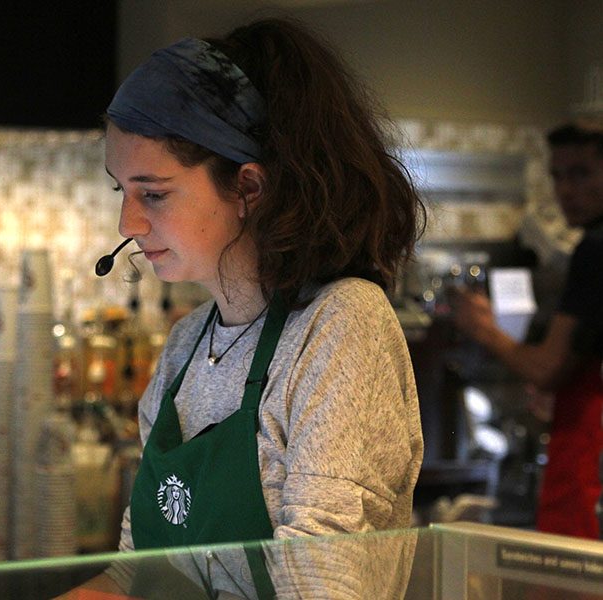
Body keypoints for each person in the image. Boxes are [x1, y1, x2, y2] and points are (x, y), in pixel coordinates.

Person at [80, 17, 425, 598]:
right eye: (123, 191)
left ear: (248, 188)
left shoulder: (342, 327)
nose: (128, 225)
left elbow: (321, 585)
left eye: (154, 193)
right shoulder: (186, 346)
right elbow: (134, 575)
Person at [452, 122, 603, 540]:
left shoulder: (594, 249)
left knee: (569, 570)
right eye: (557, 175)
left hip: (587, 447)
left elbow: (547, 368)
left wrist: (484, 328)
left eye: (581, 173)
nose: (565, 190)